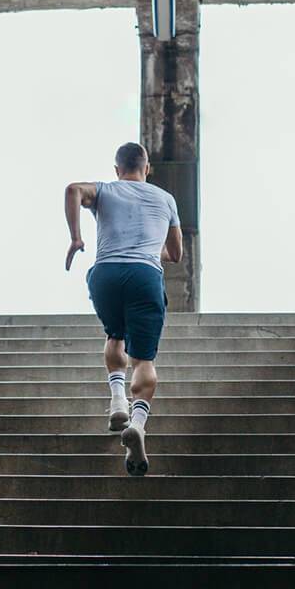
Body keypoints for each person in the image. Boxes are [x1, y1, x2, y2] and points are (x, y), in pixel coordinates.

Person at [63, 142, 183, 476]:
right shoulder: (166, 199)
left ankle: (118, 402)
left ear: (118, 169)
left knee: (114, 335)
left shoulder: (104, 190)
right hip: (145, 276)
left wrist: (76, 237)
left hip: (105, 274)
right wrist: (145, 251)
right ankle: (139, 425)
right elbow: (175, 255)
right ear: (147, 168)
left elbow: (73, 189)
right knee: (144, 360)